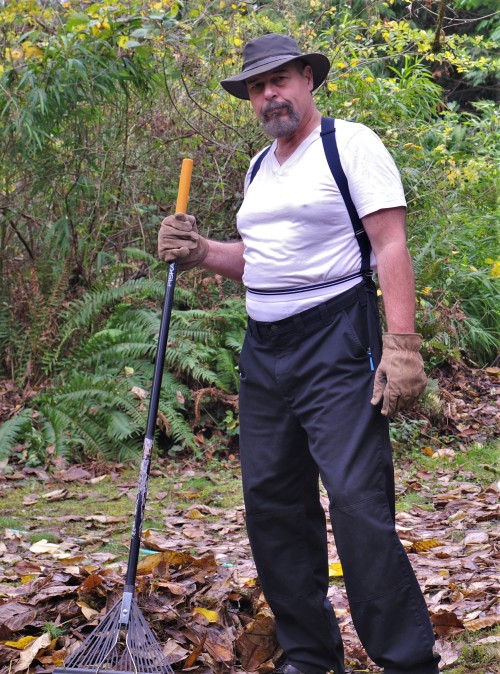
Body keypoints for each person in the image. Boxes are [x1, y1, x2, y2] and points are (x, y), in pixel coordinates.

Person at [158, 33, 440, 674]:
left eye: (280, 79)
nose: (269, 94)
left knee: (357, 501)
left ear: (308, 78)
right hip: (265, 349)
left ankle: (406, 659)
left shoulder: (351, 146)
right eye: (257, 87)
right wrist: (201, 250)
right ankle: (311, 656)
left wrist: (401, 344)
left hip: (337, 338)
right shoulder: (262, 167)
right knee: (273, 503)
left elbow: (390, 245)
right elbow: (257, 261)